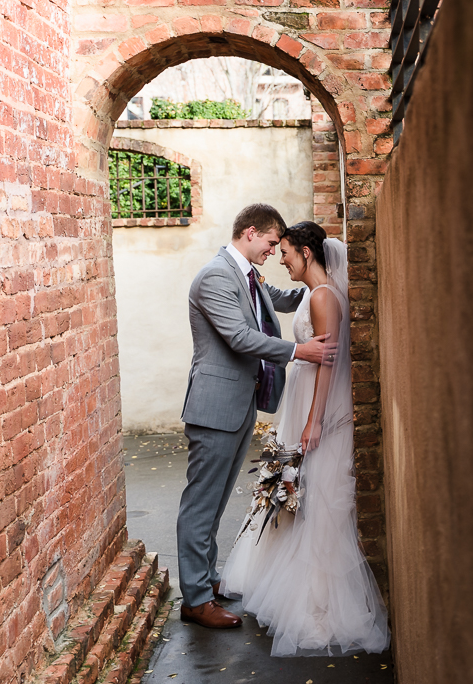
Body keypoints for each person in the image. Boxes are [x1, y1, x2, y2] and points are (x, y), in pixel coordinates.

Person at [220, 221, 390, 656]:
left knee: (316, 503)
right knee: (299, 495)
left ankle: (318, 607)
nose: (282, 258)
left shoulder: (323, 296)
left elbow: (329, 365)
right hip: (303, 404)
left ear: (307, 253)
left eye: (288, 251)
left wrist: (314, 421)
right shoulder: (318, 293)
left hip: (317, 410)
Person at [177, 204, 336, 630]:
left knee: (215, 501)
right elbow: (239, 336)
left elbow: (278, 300)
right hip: (214, 406)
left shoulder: (248, 275)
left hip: (239, 404)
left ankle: (204, 581)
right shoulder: (215, 276)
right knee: (201, 504)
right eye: (269, 244)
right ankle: (194, 600)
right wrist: (301, 350)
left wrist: (324, 283)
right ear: (250, 232)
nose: (272, 252)